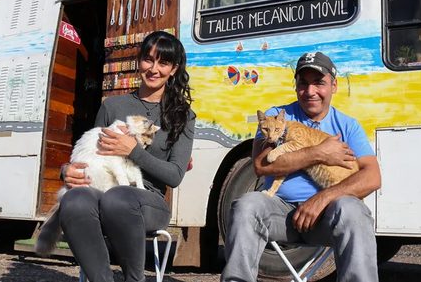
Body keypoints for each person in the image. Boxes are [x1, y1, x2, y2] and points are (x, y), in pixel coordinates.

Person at [221, 52, 382, 282]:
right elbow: (261, 165)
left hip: (326, 217)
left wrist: (323, 199)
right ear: (295, 86)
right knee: (247, 205)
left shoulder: (348, 126)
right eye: (303, 84)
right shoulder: (274, 117)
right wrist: (318, 153)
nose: (310, 92)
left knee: (354, 210)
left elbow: (373, 177)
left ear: (334, 85)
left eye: (319, 83)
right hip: (281, 214)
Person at [59, 31, 195, 282]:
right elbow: (93, 152)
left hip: (148, 200)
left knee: (118, 198)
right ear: (139, 61)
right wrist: (65, 170)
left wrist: (132, 151)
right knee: (74, 199)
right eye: (148, 59)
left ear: (174, 69)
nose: (154, 69)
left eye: (163, 63)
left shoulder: (182, 115)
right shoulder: (112, 106)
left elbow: (175, 176)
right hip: (104, 188)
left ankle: (135, 279)